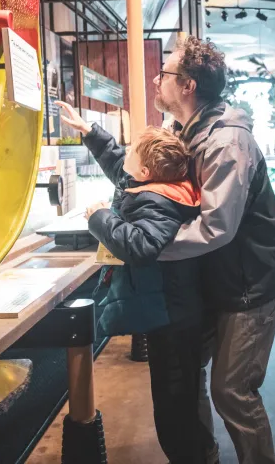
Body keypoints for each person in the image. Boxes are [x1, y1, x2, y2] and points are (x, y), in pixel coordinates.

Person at [155, 37, 275, 464]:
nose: (159, 80)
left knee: (232, 391)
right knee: (190, 367)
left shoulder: (226, 143)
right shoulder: (187, 132)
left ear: (187, 86)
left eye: (165, 74)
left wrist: (151, 247)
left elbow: (216, 227)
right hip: (219, 278)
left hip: (251, 281)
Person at [55, 101, 208, 464]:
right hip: (168, 315)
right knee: (175, 402)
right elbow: (117, 163)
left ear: (144, 170)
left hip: (171, 318)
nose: (124, 157)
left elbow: (141, 246)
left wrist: (100, 218)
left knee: (173, 408)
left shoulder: (156, 201)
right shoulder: (154, 185)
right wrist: (89, 131)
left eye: (132, 154)